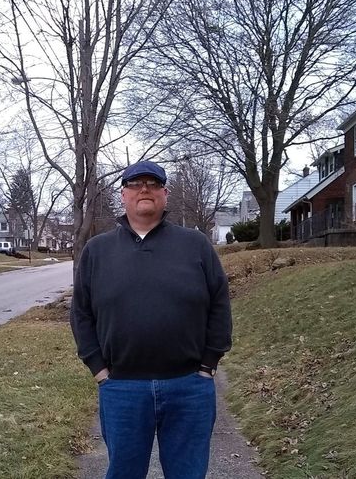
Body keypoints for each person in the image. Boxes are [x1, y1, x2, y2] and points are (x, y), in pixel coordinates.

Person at [70, 160, 232, 479]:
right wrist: (99, 370)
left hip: (189, 387)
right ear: (123, 195)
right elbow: (81, 313)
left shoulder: (195, 245)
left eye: (153, 183)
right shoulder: (97, 250)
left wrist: (208, 364)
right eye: (135, 184)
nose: (144, 189)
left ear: (165, 194)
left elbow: (219, 302)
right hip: (122, 388)